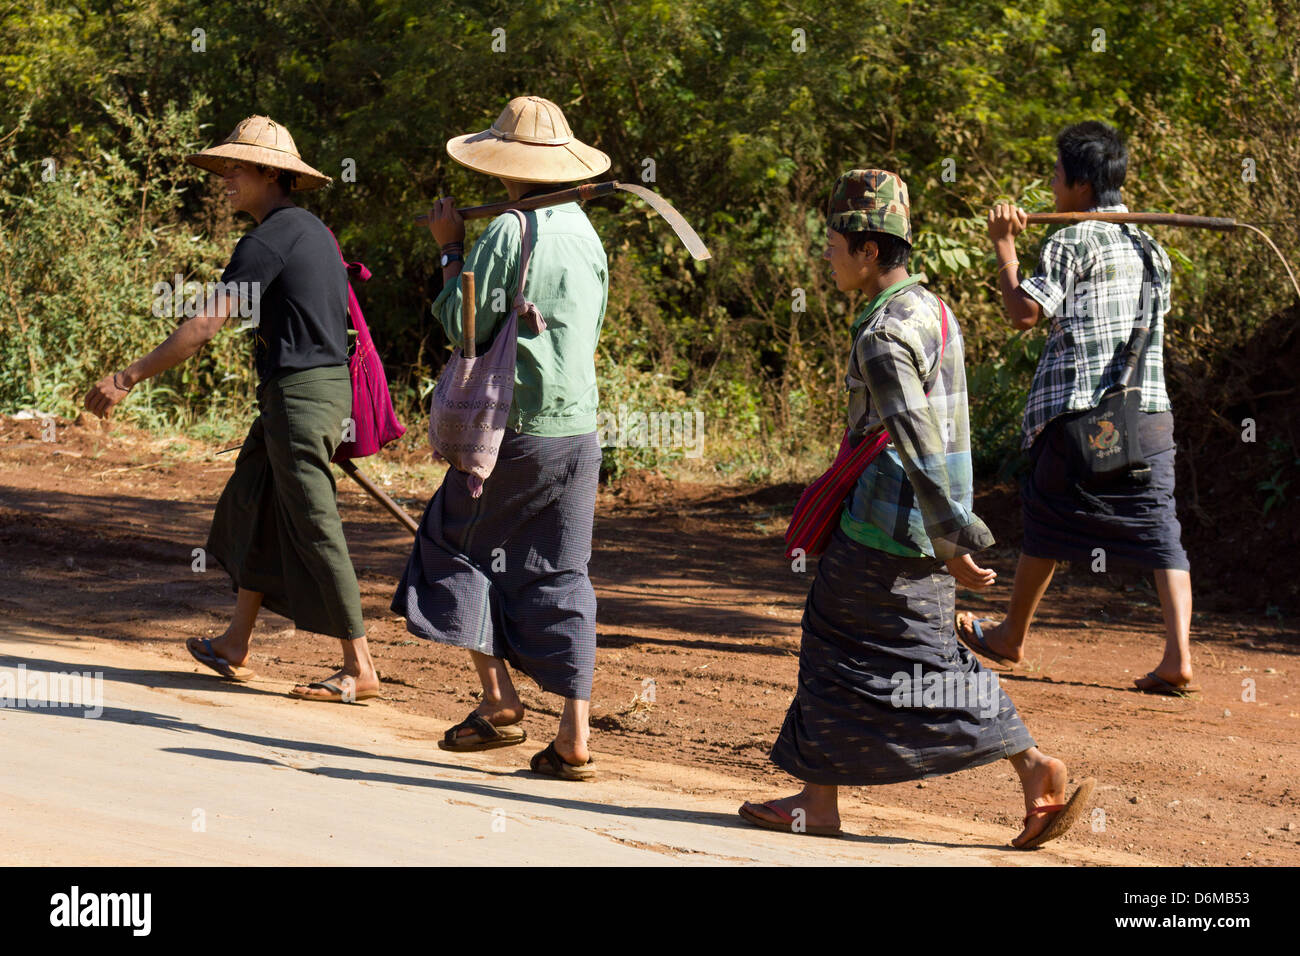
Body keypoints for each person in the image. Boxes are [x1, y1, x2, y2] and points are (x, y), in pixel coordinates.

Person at [740, 170, 1094, 847]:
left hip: (890, 524)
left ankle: (1033, 767)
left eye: (835, 243)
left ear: (869, 251)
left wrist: (952, 537)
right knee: (876, 649)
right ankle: (823, 796)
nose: (827, 255)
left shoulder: (882, 335)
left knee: (878, 652)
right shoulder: (930, 308)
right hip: (915, 521)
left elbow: (916, 436)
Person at [84, 115, 380, 703]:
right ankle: (235, 642)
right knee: (256, 501)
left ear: (270, 173)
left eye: (235, 168)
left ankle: (359, 666)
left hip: (301, 397)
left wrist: (128, 375)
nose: (225, 180)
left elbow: (204, 323)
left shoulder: (270, 237)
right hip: (302, 395)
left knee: (315, 524)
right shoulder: (310, 230)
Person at [392, 95, 609, 779]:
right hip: (578, 432)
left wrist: (451, 250)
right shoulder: (583, 230)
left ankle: (498, 700)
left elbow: (463, 330)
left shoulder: (508, 233)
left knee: (449, 546)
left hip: (515, 431)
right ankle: (573, 737)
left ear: (506, 164)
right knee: (563, 574)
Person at [957, 121, 1195, 697]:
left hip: (1079, 414)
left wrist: (1004, 245)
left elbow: (1023, 314)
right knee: (1161, 529)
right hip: (1148, 414)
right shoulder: (1151, 245)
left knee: (1045, 515)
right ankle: (1179, 659)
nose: (1054, 186)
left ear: (1082, 185)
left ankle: (1011, 635)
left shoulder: (1071, 240)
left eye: (1059, 176)